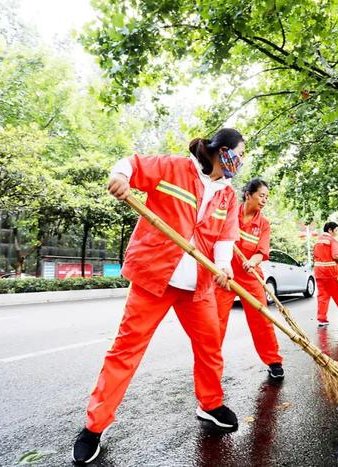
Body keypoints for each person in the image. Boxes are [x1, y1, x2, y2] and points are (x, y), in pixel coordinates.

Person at [72, 129, 245, 465]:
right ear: (222, 151)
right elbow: (132, 164)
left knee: (210, 347)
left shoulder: (228, 195)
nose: (241, 160)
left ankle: (210, 405)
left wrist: (223, 268)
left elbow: (225, 238)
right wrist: (120, 177)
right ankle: (95, 426)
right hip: (155, 278)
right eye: (239, 153)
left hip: (198, 285)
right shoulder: (173, 168)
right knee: (126, 350)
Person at [215, 178, 284, 380]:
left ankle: (274, 361)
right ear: (248, 195)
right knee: (215, 322)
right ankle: (211, 365)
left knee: (262, 320)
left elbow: (262, 251)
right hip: (225, 274)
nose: (264, 200)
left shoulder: (263, 223)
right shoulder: (229, 212)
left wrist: (253, 261)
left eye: (267, 197)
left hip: (250, 276)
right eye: (261, 195)